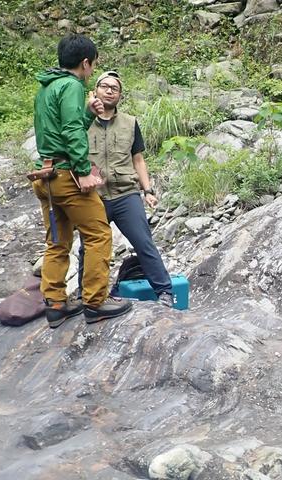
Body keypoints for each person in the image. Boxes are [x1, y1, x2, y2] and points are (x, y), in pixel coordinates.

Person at [32, 34, 132, 328]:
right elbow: (72, 133)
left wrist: (88, 116)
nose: (92, 72)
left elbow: (59, 128)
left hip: (45, 176)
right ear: (86, 63)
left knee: (57, 241)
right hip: (66, 177)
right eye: (93, 66)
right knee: (99, 234)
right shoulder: (73, 86)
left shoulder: (46, 88)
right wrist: (84, 170)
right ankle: (96, 301)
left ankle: (55, 303)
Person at [77, 70, 175, 307]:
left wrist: (148, 189)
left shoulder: (130, 123)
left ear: (120, 95)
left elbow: (138, 159)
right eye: (104, 86)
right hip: (93, 195)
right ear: (95, 91)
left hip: (125, 193)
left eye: (115, 88)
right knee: (90, 246)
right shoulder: (81, 121)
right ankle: (85, 295)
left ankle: (165, 291)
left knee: (143, 241)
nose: (109, 91)